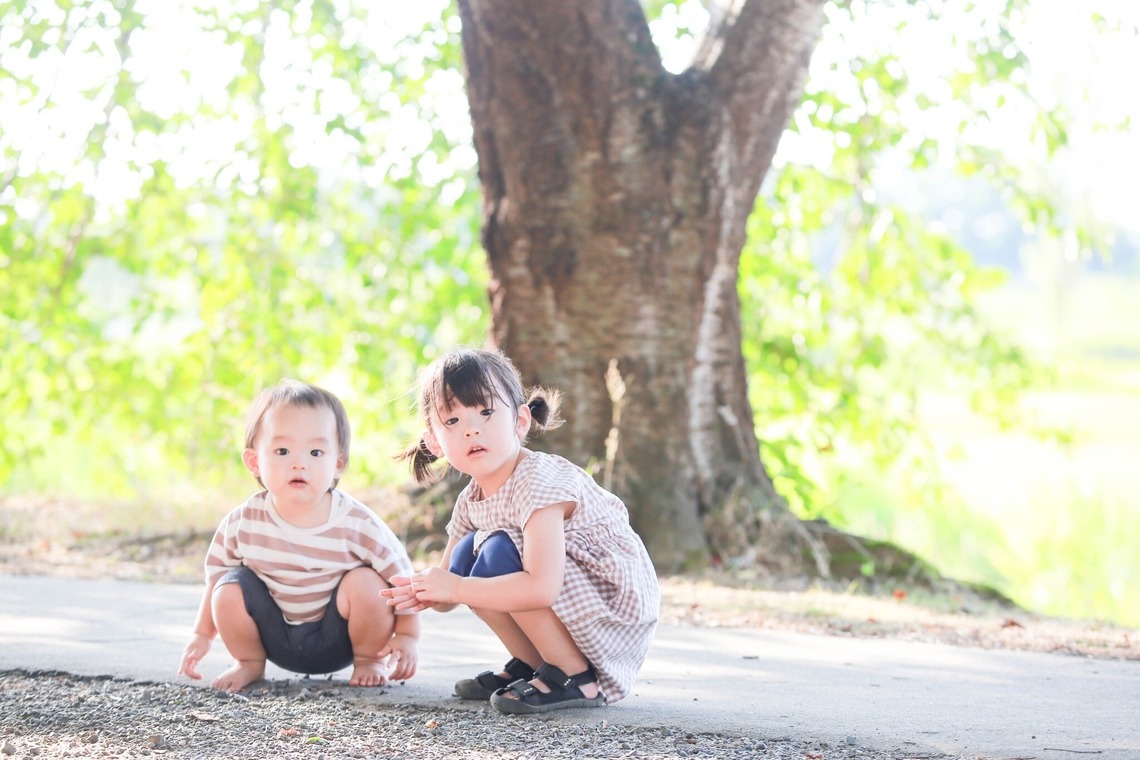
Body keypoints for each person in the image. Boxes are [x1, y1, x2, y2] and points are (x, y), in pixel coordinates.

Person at [383, 347, 660, 714]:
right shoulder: (470, 500)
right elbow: (452, 588)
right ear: (434, 441)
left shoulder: (538, 480)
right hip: (570, 600)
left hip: (610, 604)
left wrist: (456, 586)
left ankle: (576, 677)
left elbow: (542, 586)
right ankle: (536, 664)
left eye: (486, 411)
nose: (471, 428)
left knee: (497, 551)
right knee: (469, 552)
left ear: (520, 421)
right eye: (452, 421)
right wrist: (426, 590)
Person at [178, 380, 419, 693]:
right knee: (228, 586)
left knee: (368, 583)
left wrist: (408, 635)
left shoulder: (357, 523)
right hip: (274, 636)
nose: (299, 462)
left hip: (342, 638)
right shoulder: (243, 522)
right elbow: (215, 582)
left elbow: (403, 579)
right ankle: (248, 663)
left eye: (316, 451)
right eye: (282, 450)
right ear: (254, 462)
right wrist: (201, 635)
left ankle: (368, 661)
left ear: (338, 463)